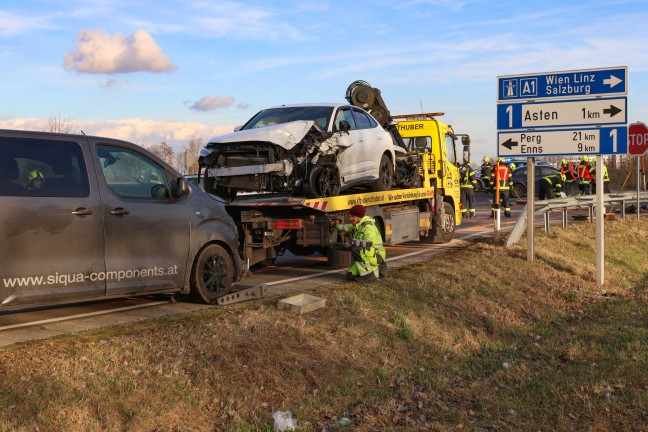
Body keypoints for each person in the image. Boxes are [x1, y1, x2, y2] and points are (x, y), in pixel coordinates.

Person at [333, 204, 386, 282]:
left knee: (356, 249)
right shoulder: (358, 225)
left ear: (359, 216)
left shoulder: (368, 227)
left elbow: (369, 244)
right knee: (350, 276)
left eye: (352, 217)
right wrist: (335, 226)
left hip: (377, 255)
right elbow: (346, 227)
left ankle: (369, 275)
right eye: (350, 216)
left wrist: (352, 242)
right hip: (370, 254)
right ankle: (378, 269)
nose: (351, 219)